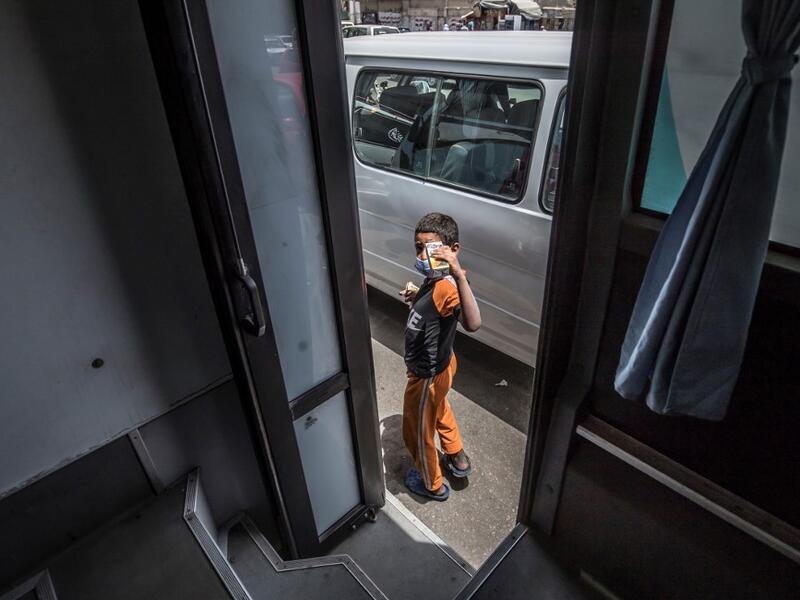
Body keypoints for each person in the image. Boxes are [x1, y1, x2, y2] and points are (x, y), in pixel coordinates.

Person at [399, 213, 481, 501]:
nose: (421, 255)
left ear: (452, 250)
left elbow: (472, 323)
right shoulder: (435, 278)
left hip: (427, 374)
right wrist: (416, 297)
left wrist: (459, 275)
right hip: (441, 368)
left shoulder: (449, 285)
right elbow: (435, 309)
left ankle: (431, 483)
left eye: (429, 248)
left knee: (417, 430)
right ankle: (457, 456)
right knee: (440, 409)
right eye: (417, 247)